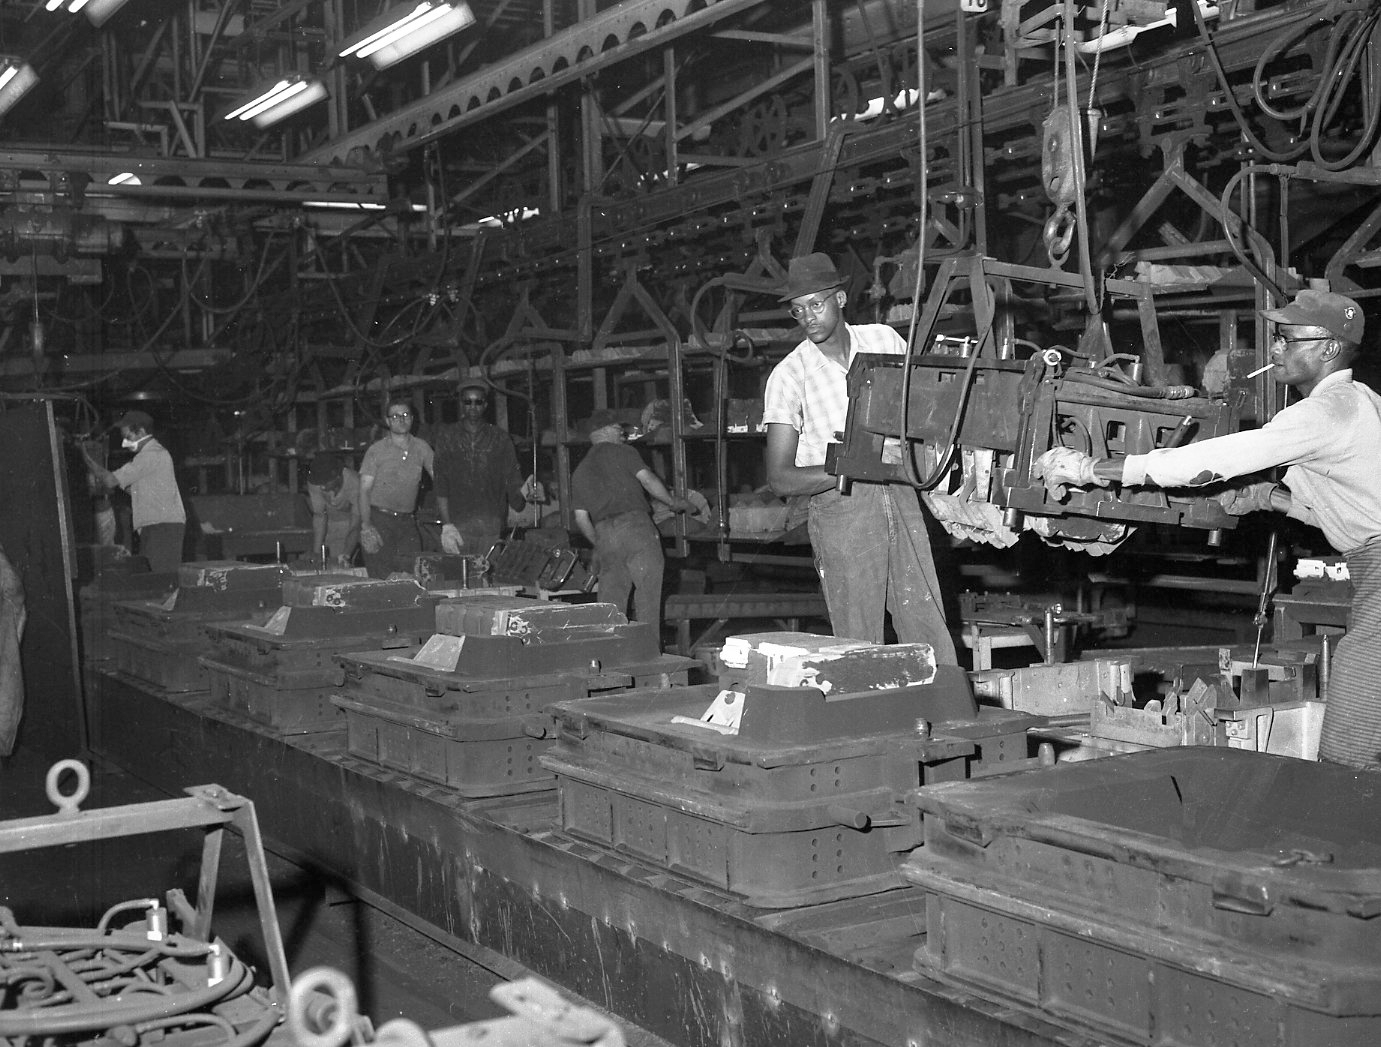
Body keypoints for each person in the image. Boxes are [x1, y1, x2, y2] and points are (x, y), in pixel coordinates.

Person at [1035, 289, 1381, 770]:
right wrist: (1269, 498)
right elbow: (1358, 508)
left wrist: (1097, 468)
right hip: (1371, 566)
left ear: (1328, 348)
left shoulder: (1327, 410)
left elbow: (1213, 462)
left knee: (1355, 728)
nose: (1275, 348)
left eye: (1286, 338)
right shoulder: (1361, 402)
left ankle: (1336, 828)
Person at [762, 252, 957, 661]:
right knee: (857, 639)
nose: (808, 317)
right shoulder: (789, 376)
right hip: (842, 508)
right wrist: (853, 464)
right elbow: (780, 478)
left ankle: (944, 710)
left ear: (841, 299)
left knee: (925, 619)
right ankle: (868, 716)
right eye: (798, 310)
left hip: (900, 495)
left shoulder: (884, 340)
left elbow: (923, 408)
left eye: (816, 304)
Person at [572, 409, 690, 640]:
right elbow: (647, 479)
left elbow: (580, 518)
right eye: (619, 429)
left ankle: (611, 656)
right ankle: (649, 655)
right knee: (648, 598)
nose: (623, 434)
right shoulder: (623, 451)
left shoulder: (579, 471)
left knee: (611, 605)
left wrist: (600, 542)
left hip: (604, 534)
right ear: (604, 431)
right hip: (636, 528)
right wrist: (672, 502)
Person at [432, 380, 540, 556]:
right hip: (458, 527)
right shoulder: (447, 437)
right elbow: (440, 483)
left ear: (485, 405)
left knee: (488, 577)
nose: (473, 407)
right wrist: (447, 525)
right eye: (468, 402)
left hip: (491, 526)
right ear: (461, 404)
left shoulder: (500, 438)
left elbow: (512, 478)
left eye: (478, 402)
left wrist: (527, 492)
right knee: (460, 578)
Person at [83, 410, 186, 573]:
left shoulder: (150, 455)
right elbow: (134, 488)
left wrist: (87, 460)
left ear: (142, 432)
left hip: (162, 527)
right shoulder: (151, 456)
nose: (125, 443)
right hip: (156, 526)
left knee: (161, 580)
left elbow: (110, 480)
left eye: (128, 437)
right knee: (153, 579)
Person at [358, 397, 434, 578]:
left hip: (407, 522)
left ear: (413, 418)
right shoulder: (376, 450)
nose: (401, 419)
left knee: (413, 573)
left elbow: (440, 477)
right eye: (395, 416)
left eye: (406, 415)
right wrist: (367, 525)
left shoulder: (422, 448)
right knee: (382, 577)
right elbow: (364, 491)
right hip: (380, 520)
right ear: (387, 421)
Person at [306, 451, 361, 568]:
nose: (321, 487)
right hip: (331, 524)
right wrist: (316, 553)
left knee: (343, 564)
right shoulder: (315, 483)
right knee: (326, 563)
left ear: (338, 476)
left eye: (325, 483)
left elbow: (355, 525)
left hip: (355, 524)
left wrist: (346, 555)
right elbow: (319, 516)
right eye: (319, 483)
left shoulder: (355, 482)